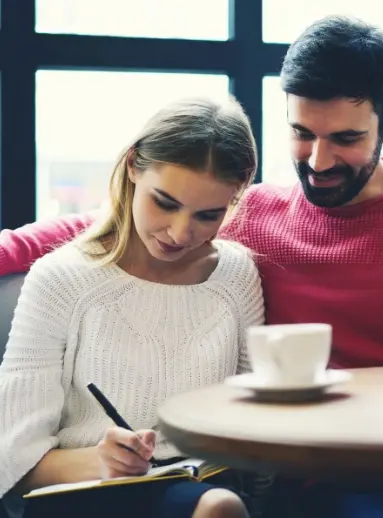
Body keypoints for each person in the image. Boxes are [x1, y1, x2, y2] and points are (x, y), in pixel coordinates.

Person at [0, 14, 383, 518]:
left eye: (345, 138)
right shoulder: (253, 213)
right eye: (302, 132)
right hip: (308, 474)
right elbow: (118, 224)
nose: (318, 161)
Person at [0, 96, 266, 518]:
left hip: (203, 487)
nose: (181, 233)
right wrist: (100, 461)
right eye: (165, 202)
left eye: (209, 215)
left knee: (220, 503)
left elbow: (252, 418)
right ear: (132, 166)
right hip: (82, 492)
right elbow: (12, 460)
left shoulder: (236, 275)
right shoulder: (61, 279)